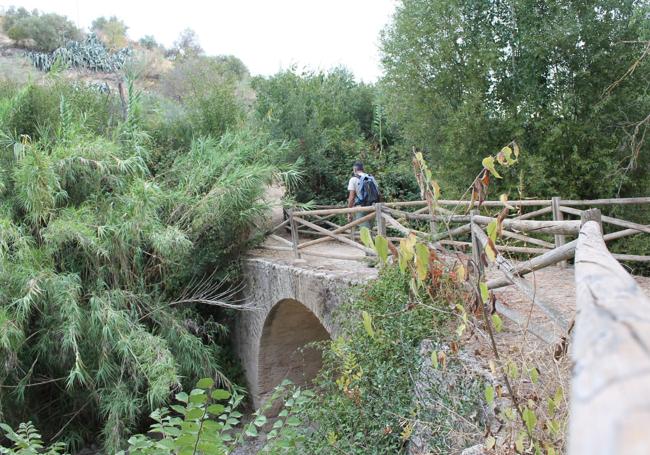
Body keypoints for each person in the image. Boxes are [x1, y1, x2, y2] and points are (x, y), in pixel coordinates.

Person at [347, 161, 380, 226]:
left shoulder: (353, 179)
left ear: (354, 169)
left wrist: (349, 212)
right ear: (363, 169)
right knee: (370, 229)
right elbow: (378, 193)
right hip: (372, 206)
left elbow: (351, 198)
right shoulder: (371, 178)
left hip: (361, 208)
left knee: (364, 231)